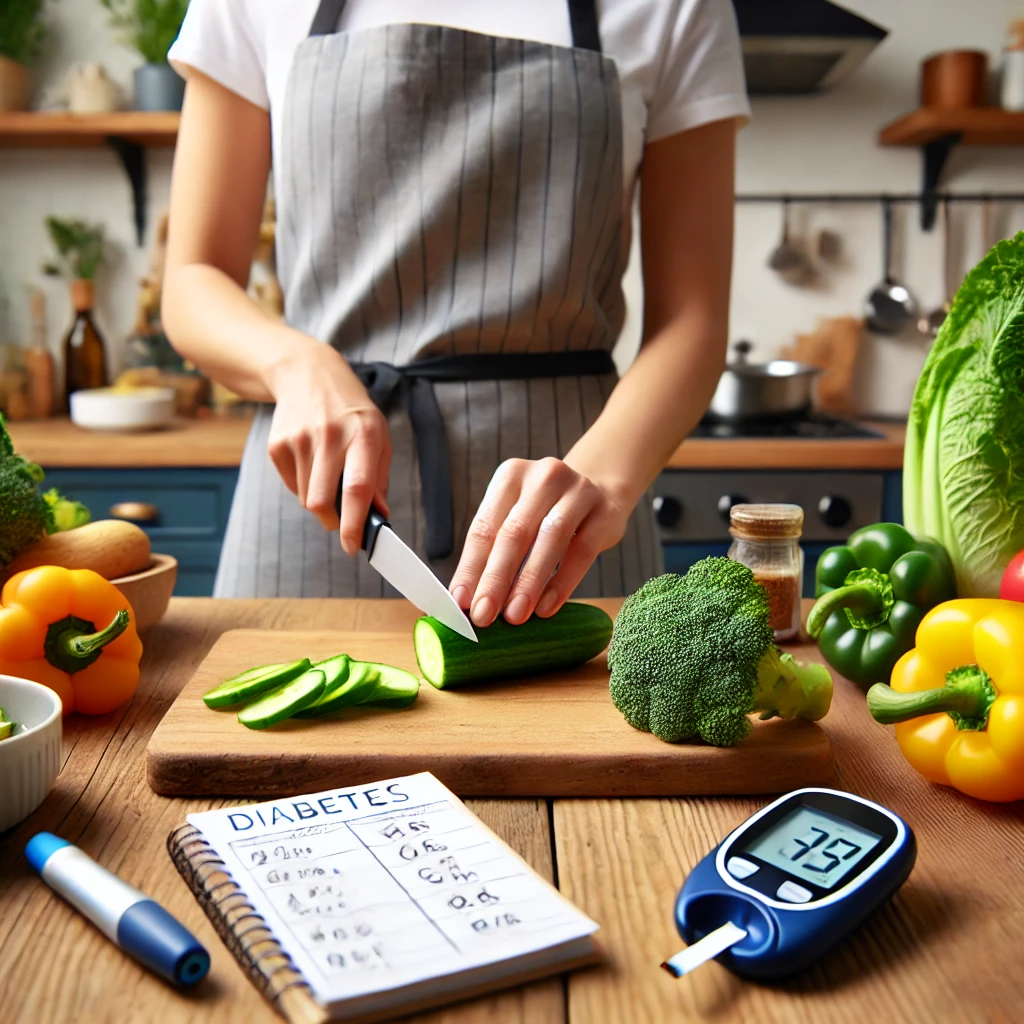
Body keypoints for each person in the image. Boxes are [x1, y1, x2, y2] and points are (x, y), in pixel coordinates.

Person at [162, 0, 749, 627]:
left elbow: (693, 321)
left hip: (570, 531)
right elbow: (193, 281)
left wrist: (603, 479)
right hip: (317, 503)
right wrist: (295, 364)